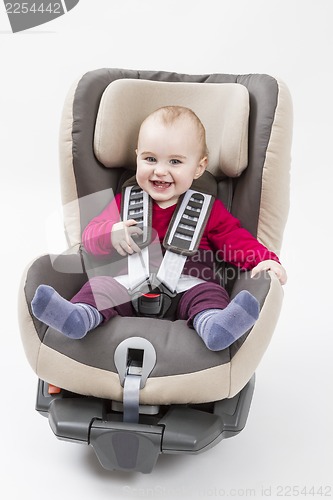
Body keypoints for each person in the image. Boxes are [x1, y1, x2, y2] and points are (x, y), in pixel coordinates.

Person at [31, 106, 287, 351]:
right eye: (150, 159)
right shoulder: (124, 203)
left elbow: (237, 242)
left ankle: (215, 326)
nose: (160, 171)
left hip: (188, 287)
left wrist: (265, 259)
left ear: (199, 167)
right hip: (127, 287)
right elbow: (89, 239)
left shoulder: (209, 211)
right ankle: (78, 318)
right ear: (137, 157)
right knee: (100, 287)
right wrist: (110, 233)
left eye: (175, 162)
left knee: (211, 293)